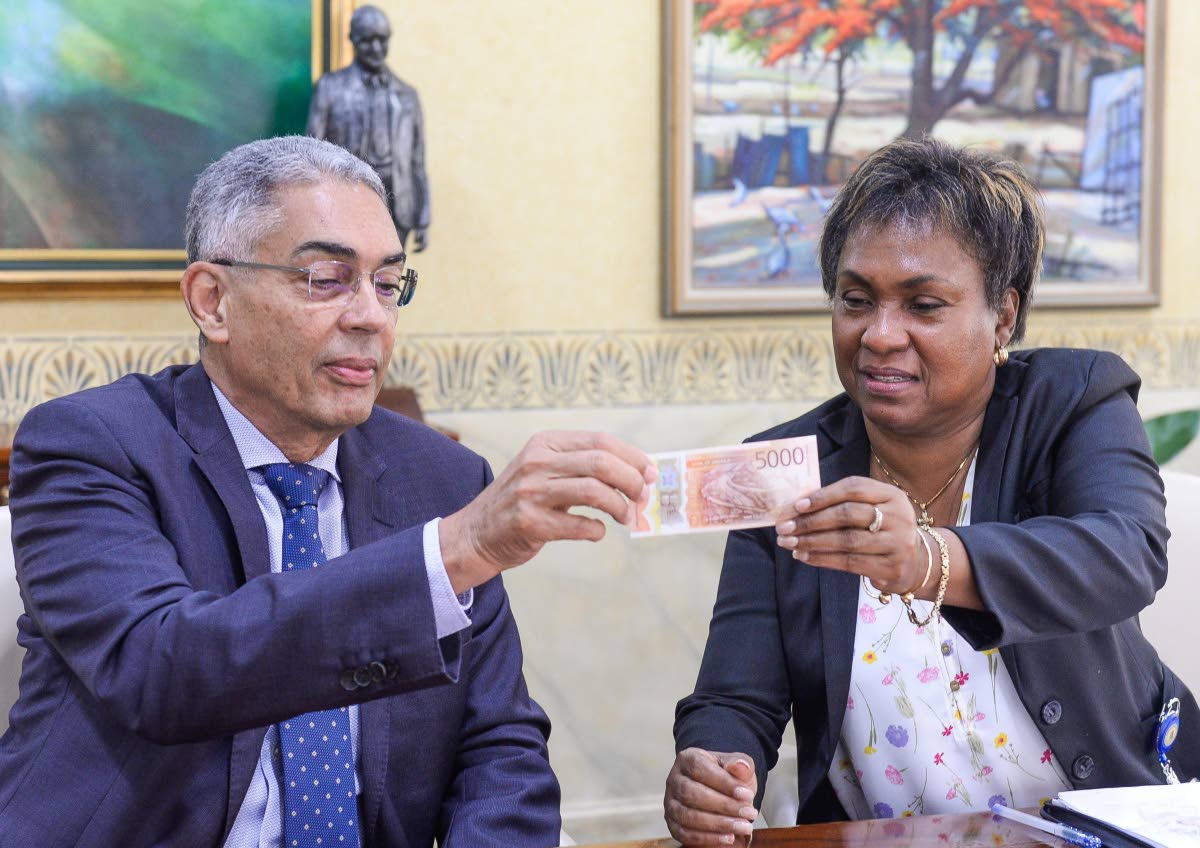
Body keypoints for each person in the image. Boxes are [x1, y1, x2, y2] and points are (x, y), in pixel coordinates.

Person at [0, 135, 654, 847]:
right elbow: (165, 670)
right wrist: (452, 551)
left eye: (387, 284)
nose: (370, 316)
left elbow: (499, 751)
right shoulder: (92, 446)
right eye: (326, 279)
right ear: (212, 301)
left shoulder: (440, 477)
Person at [664, 138, 1199, 844]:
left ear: (1002, 316)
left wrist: (927, 559)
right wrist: (716, 766)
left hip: (1109, 823)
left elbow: (1125, 553)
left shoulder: (1072, 401)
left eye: (922, 304)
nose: (880, 335)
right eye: (856, 300)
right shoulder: (786, 470)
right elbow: (736, 698)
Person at [308, 5, 430, 251]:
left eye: (382, 40)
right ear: (353, 39)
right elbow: (311, 153)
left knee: (392, 269)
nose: (376, 48)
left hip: (398, 202)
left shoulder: (407, 95)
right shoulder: (330, 88)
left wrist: (423, 216)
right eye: (367, 40)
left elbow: (417, 161)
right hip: (346, 199)